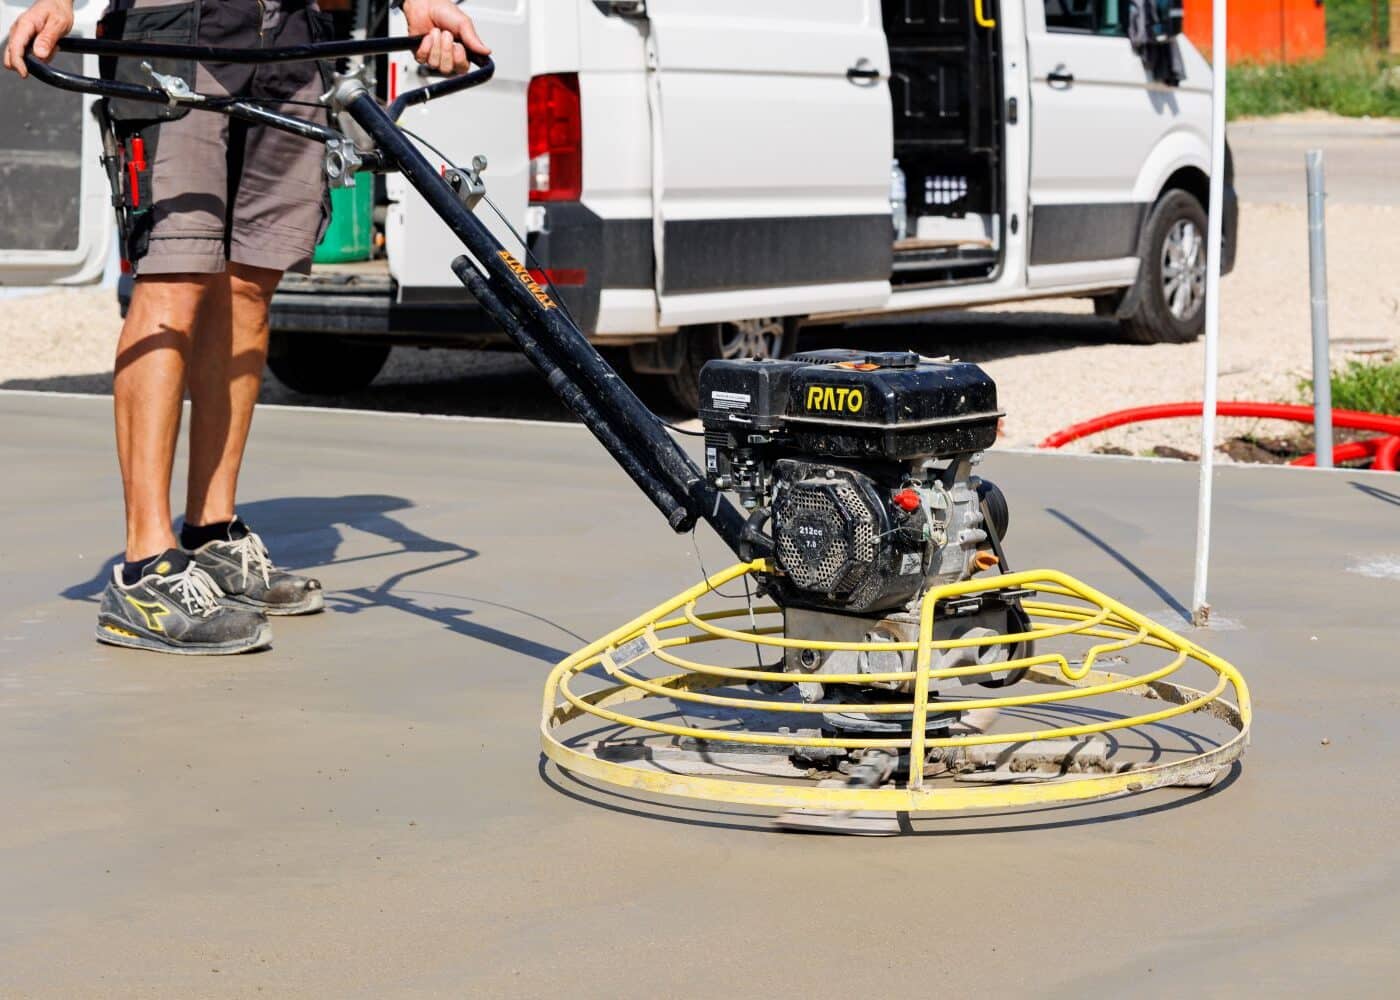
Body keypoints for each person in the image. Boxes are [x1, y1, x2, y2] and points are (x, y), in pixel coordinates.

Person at [4, 0, 489, 654]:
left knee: (249, 285)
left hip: (290, 40)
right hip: (177, 28)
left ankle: (211, 532)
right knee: (173, 278)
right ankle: (145, 566)